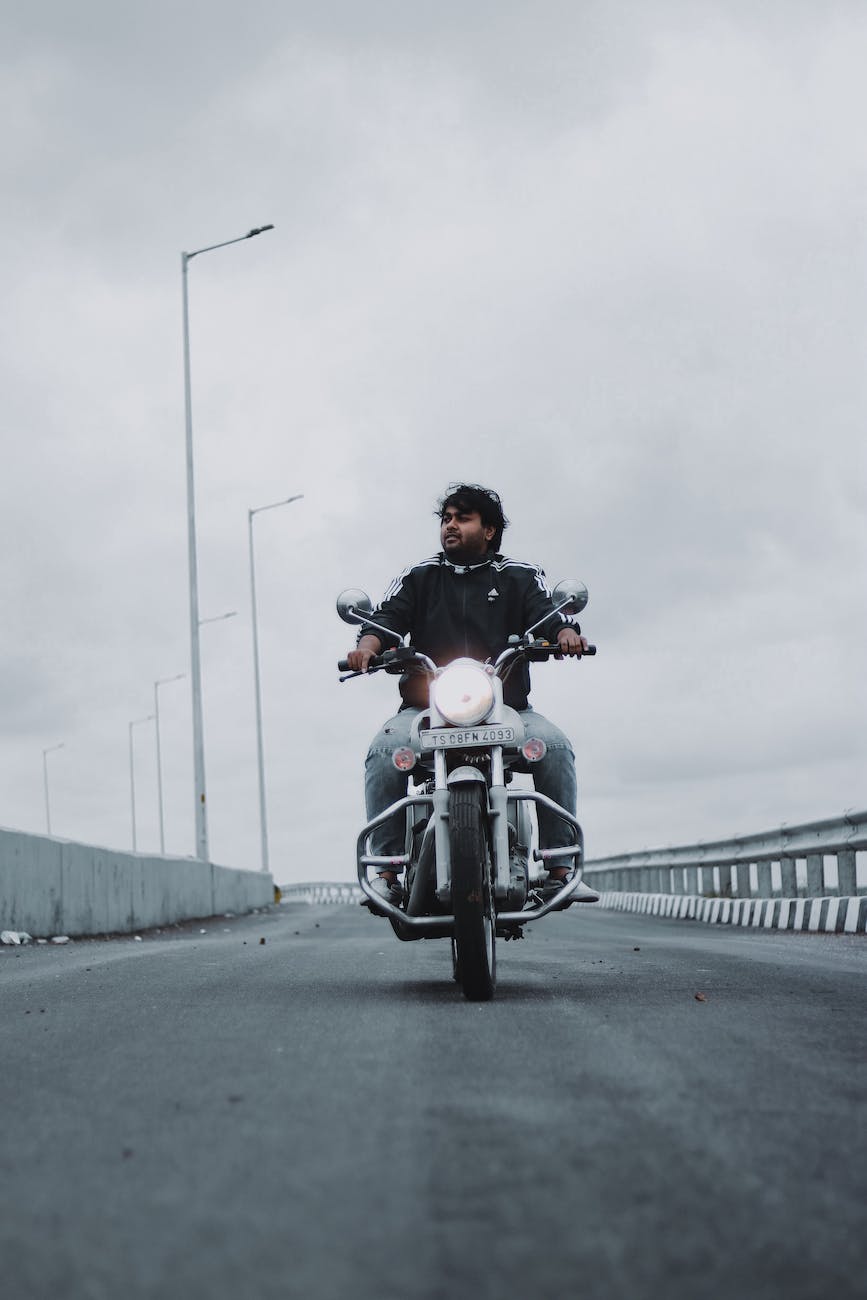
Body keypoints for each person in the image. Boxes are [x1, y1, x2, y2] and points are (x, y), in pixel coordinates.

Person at [345, 483, 590, 907]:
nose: (451, 526)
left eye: (463, 518)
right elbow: (387, 619)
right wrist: (367, 646)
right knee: (384, 751)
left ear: (489, 530)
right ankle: (385, 871)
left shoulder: (518, 575)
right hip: (424, 710)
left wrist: (565, 632)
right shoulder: (420, 576)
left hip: (506, 709)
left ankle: (560, 868)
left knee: (554, 747)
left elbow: (545, 614)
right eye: (446, 519)